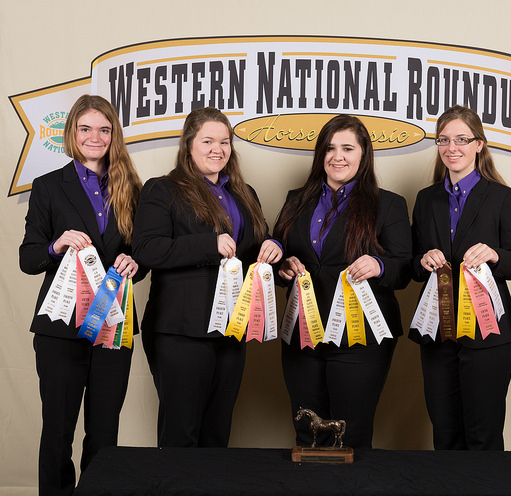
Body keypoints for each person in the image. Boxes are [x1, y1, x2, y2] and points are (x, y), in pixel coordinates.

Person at [132, 107, 282, 448]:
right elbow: (147, 249)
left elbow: (255, 246)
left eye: (225, 142)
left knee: (218, 434)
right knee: (181, 433)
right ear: (188, 146)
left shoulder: (245, 194)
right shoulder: (163, 189)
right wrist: (207, 244)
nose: (218, 149)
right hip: (181, 332)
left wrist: (273, 246)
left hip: (232, 329)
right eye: (208, 141)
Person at [19, 94, 142, 496]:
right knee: (58, 430)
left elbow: (145, 252)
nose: (95, 137)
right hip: (60, 327)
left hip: (114, 325)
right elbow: (28, 256)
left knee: (105, 431)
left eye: (104, 129)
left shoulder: (132, 186)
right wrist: (56, 245)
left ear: (114, 135)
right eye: (86, 128)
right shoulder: (49, 186)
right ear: (72, 132)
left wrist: (137, 263)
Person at [273, 114, 412, 449]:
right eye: (330, 148)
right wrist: (284, 264)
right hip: (303, 335)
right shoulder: (296, 199)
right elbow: (278, 255)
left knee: (349, 435)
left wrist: (379, 265)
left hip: (361, 338)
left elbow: (404, 268)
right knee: (308, 432)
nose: (338, 156)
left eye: (348, 148)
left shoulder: (388, 204)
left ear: (363, 154)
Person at [410, 105, 511, 451]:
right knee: (444, 437)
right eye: (444, 140)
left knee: (483, 437)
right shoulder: (425, 199)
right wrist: (423, 259)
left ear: (479, 144)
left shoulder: (504, 198)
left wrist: (495, 255)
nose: (452, 147)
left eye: (462, 139)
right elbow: (412, 266)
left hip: (488, 336)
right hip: (438, 333)